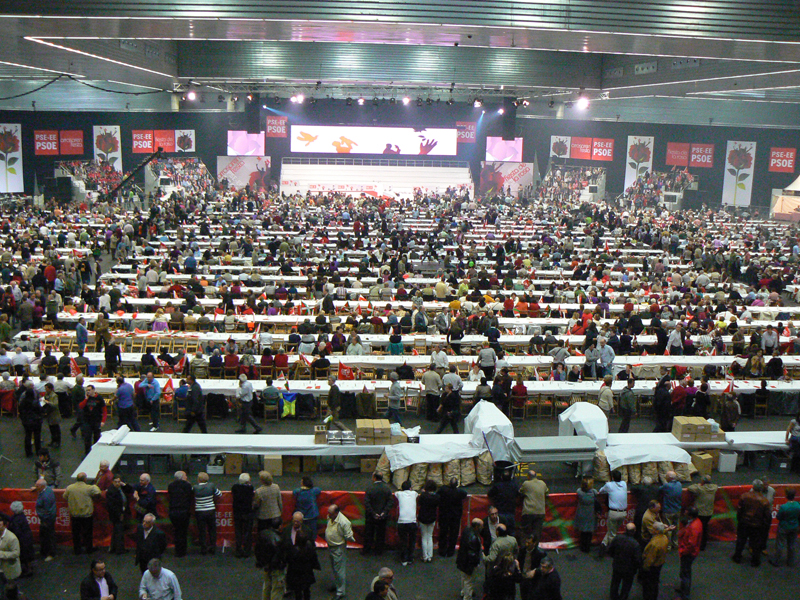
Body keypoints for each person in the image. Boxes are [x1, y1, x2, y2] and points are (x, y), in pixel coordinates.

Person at [732, 479, 772, 566]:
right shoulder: (765, 501)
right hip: (757, 526)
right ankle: (755, 561)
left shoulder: (744, 496)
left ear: (753, 487)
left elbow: (739, 510)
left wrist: (740, 520)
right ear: (761, 488)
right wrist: (764, 527)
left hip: (744, 523)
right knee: (756, 544)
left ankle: (737, 557)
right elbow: (767, 517)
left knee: (740, 541)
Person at [63, 472, 101, 555]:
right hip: (86, 515)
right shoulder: (89, 488)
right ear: (85, 479)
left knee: (76, 534)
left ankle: (77, 550)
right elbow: (98, 492)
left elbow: (65, 496)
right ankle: (89, 549)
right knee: (88, 533)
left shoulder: (70, 488)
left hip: (75, 515)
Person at [325, 504, 355, 600]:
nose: (328, 515)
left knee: (339, 570)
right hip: (331, 546)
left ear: (336, 513)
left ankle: (340, 592)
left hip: (338, 548)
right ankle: (337, 584)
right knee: (335, 568)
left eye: (330, 513)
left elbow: (349, 536)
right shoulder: (330, 517)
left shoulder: (344, 522)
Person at [598, 470, 628, 557]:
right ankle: (603, 544)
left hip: (613, 513)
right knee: (613, 530)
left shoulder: (609, 485)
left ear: (613, 477)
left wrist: (608, 483)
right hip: (623, 513)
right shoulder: (624, 484)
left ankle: (613, 551)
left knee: (612, 534)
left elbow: (601, 491)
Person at [607, 523, 641, 600]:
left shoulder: (617, 538)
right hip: (629, 569)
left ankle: (613, 597)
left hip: (617, 565)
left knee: (615, 583)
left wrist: (615, 557)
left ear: (625, 529)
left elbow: (610, 550)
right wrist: (635, 568)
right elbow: (637, 560)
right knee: (626, 586)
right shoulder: (635, 544)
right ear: (634, 531)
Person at [363, 472, 393, 556]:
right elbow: (390, 502)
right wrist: (384, 512)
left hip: (371, 516)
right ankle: (379, 551)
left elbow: (367, 503)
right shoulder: (387, 488)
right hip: (383, 517)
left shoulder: (370, 488)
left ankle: (367, 550)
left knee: (369, 533)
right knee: (381, 534)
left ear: (374, 478)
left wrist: (373, 513)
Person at [285, 527, 319, 600]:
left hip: (295, 574)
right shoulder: (309, 548)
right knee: (307, 590)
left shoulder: (293, 550)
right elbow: (314, 560)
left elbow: (287, 560)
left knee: (297, 592)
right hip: (307, 573)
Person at [255, 521, 287, 600]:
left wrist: (261, 562)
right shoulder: (279, 539)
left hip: (266, 565)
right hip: (276, 568)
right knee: (277, 589)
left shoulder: (263, 534)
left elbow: (257, 549)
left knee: (267, 586)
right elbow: (280, 556)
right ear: (280, 526)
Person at [687, 475, 719, 550]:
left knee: (697, 529)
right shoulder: (714, 488)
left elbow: (690, 488)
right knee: (704, 529)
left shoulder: (700, 489)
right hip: (709, 513)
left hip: (700, 513)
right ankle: (703, 545)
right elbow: (716, 485)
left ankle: (696, 543)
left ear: (702, 481)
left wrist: (698, 485)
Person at [437, 477, 468, 557]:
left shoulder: (443, 490)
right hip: (455, 517)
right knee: (453, 534)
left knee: (443, 533)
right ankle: (451, 551)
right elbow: (465, 494)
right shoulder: (459, 492)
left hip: (444, 516)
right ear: (457, 485)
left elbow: (438, 492)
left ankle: (442, 550)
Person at [193, 471, 222, 555]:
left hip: (200, 512)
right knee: (212, 530)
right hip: (210, 511)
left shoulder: (195, 488)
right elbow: (219, 494)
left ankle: (203, 549)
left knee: (202, 531)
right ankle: (213, 548)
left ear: (198, 480)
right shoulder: (211, 486)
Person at [770, 487, 800, 567]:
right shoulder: (798, 505)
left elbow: (778, 517)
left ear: (786, 496)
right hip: (794, 527)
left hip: (784, 527)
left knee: (780, 544)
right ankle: (790, 562)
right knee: (792, 545)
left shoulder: (784, 507)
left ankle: (776, 561)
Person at [677, 507, 702, 600]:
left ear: (690, 515)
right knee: (684, 572)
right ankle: (683, 589)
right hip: (688, 552)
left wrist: (683, 551)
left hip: (688, 554)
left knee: (685, 574)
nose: (685, 512)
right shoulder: (695, 521)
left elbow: (691, 544)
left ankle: (685, 595)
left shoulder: (694, 527)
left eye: (686, 512)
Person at [106, 474, 133, 555]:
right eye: (116, 482)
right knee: (119, 532)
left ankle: (114, 548)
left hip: (122, 513)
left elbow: (130, 489)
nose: (117, 483)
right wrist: (119, 514)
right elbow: (112, 506)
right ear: (112, 482)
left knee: (117, 531)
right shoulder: (111, 491)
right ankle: (119, 550)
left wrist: (123, 484)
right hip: (116, 515)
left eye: (119, 482)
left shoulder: (120, 488)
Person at [167, 471, 193, 558]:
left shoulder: (171, 486)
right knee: (183, 532)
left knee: (176, 531)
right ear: (182, 477)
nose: (186, 477)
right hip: (184, 512)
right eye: (185, 476)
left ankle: (177, 550)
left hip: (173, 512)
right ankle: (183, 551)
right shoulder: (187, 485)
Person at [456, 518, 483, 600]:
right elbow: (472, 555)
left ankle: (463, 592)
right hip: (469, 564)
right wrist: (475, 564)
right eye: (482, 526)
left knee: (464, 578)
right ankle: (467, 597)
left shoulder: (466, 530)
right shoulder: (474, 538)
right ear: (477, 527)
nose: (483, 528)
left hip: (462, 560)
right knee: (469, 582)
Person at [641, 522, 669, 600]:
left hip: (652, 567)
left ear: (657, 531)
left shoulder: (654, 544)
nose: (651, 530)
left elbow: (650, 559)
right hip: (659, 563)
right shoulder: (664, 538)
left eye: (653, 528)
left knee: (648, 585)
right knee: (655, 583)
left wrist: (645, 567)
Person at [4, 503, 33, 579]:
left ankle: (27, 570)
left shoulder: (17, 520)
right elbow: (11, 519)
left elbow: (16, 531)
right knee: (27, 555)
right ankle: (28, 568)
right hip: (26, 538)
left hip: (22, 540)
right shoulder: (20, 516)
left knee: (24, 555)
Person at [394, 480, 418, 566]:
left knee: (403, 541)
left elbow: (395, 493)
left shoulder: (399, 494)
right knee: (412, 541)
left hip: (402, 521)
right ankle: (410, 558)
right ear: (410, 488)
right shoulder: (414, 493)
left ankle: (403, 559)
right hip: (412, 521)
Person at [232, 472, 255, 557]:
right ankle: (247, 550)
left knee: (238, 532)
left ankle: (238, 550)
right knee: (247, 532)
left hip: (237, 513)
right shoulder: (250, 488)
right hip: (247, 513)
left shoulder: (235, 488)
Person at [520, 470, 548, 539]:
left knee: (525, 532)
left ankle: (526, 545)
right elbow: (546, 492)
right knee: (537, 532)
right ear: (536, 476)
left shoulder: (526, 484)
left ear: (528, 477)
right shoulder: (543, 483)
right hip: (540, 512)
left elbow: (520, 492)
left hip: (528, 511)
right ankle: (535, 545)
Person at [17, 381, 43, 457]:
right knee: (37, 436)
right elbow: (40, 410)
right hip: (36, 421)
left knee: (27, 436)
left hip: (26, 421)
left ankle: (28, 452)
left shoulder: (23, 402)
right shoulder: (36, 402)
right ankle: (38, 450)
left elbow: (20, 411)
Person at [79, 385, 106, 456]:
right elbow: (81, 406)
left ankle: (96, 451)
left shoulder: (99, 398)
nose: (88, 391)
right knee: (87, 437)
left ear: (93, 390)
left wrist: (103, 420)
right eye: (87, 390)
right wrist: (86, 399)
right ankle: (87, 452)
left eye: (89, 390)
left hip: (96, 420)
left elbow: (104, 410)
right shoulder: (85, 398)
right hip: (87, 421)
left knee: (97, 437)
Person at [34, 479, 56, 561]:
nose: (36, 487)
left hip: (47, 520)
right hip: (46, 519)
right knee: (43, 536)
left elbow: (47, 511)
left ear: (43, 486)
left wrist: (45, 520)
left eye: (37, 486)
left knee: (49, 537)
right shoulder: (48, 489)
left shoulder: (46, 497)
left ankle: (51, 553)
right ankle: (43, 551)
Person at [659, 471, 683, 550]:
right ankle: (675, 544)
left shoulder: (667, 486)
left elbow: (659, 489)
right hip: (677, 510)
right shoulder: (679, 484)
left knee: (668, 529)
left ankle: (668, 546)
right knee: (676, 528)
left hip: (668, 511)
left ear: (669, 478)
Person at [575, 477, 599, 553]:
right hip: (591, 514)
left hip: (582, 514)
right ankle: (588, 547)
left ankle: (583, 547)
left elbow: (578, 490)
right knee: (589, 532)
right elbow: (596, 492)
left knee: (583, 532)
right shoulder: (594, 493)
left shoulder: (580, 493)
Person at [417, 479, 438, 563]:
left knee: (424, 537)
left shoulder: (423, 496)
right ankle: (430, 556)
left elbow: (419, 503)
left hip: (423, 518)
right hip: (432, 518)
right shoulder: (436, 497)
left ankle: (425, 556)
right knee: (430, 536)